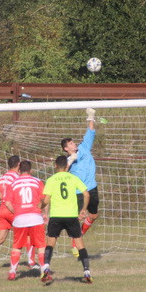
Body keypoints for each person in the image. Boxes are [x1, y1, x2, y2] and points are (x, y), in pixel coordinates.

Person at [41, 155, 91, 284]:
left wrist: (40, 207)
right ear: (67, 166)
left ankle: (46, 266)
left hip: (56, 216)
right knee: (79, 244)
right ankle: (86, 271)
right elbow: (86, 194)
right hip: (71, 216)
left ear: (55, 166)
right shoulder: (73, 178)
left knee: (50, 243)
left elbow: (46, 200)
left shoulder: (51, 180)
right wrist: (83, 209)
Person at [62, 107, 99, 257]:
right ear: (66, 148)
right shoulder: (67, 160)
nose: (74, 144)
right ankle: (75, 245)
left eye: (73, 142)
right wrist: (71, 160)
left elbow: (90, 131)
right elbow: (62, 174)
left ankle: (80, 235)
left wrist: (91, 117)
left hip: (92, 188)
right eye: (71, 144)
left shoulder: (84, 148)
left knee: (93, 216)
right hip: (78, 192)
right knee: (77, 218)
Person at [4, 160, 45, 281]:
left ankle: (12, 272)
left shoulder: (13, 183)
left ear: (19, 170)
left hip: (20, 219)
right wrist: (44, 212)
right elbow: (44, 199)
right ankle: (44, 271)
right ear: (31, 170)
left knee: (17, 246)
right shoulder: (37, 181)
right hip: (35, 218)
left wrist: (15, 212)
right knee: (41, 245)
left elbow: (7, 203)